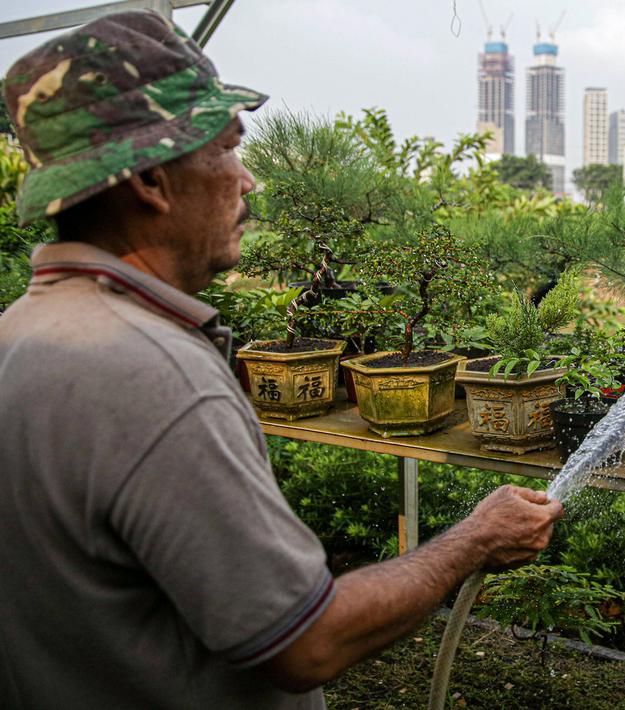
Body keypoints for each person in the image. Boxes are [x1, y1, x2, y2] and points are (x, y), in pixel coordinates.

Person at [0, 10, 562, 708]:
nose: (248, 181)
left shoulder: (19, 334)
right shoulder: (152, 378)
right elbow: (305, 643)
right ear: (150, 179)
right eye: (229, 148)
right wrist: (472, 540)